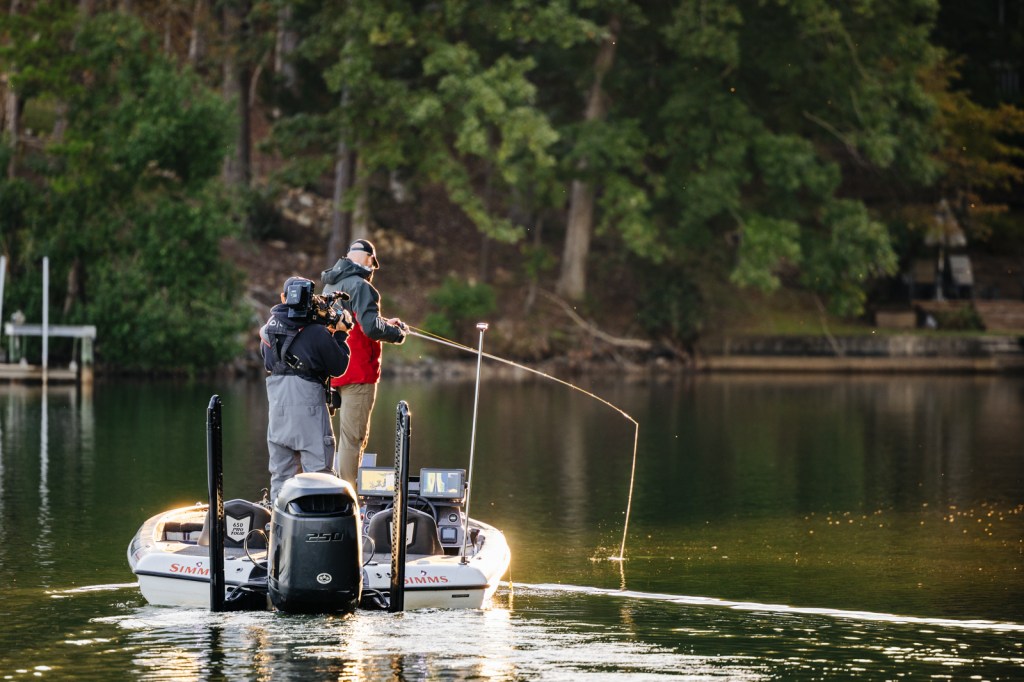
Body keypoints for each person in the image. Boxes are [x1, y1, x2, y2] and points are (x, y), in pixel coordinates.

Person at [259, 276, 353, 502]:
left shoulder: (268, 331)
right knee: (319, 477)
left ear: (283, 298)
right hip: (309, 411)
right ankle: (319, 519)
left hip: (278, 413)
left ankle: (279, 518)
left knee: (281, 476)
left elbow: (268, 363)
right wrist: (340, 334)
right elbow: (339, 366)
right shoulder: (316, 332)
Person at [320, 239, 407, 483]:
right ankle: (349, 496)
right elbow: (370, 328)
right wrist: (397, 333)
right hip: (358, 373)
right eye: (373, 263)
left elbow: (356, 322)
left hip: (333, 372)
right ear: (369, 260)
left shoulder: (330, 285)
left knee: (331, 438)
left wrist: (385, 323)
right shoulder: (362, 287)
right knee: (353, 439)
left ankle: (329, 488)